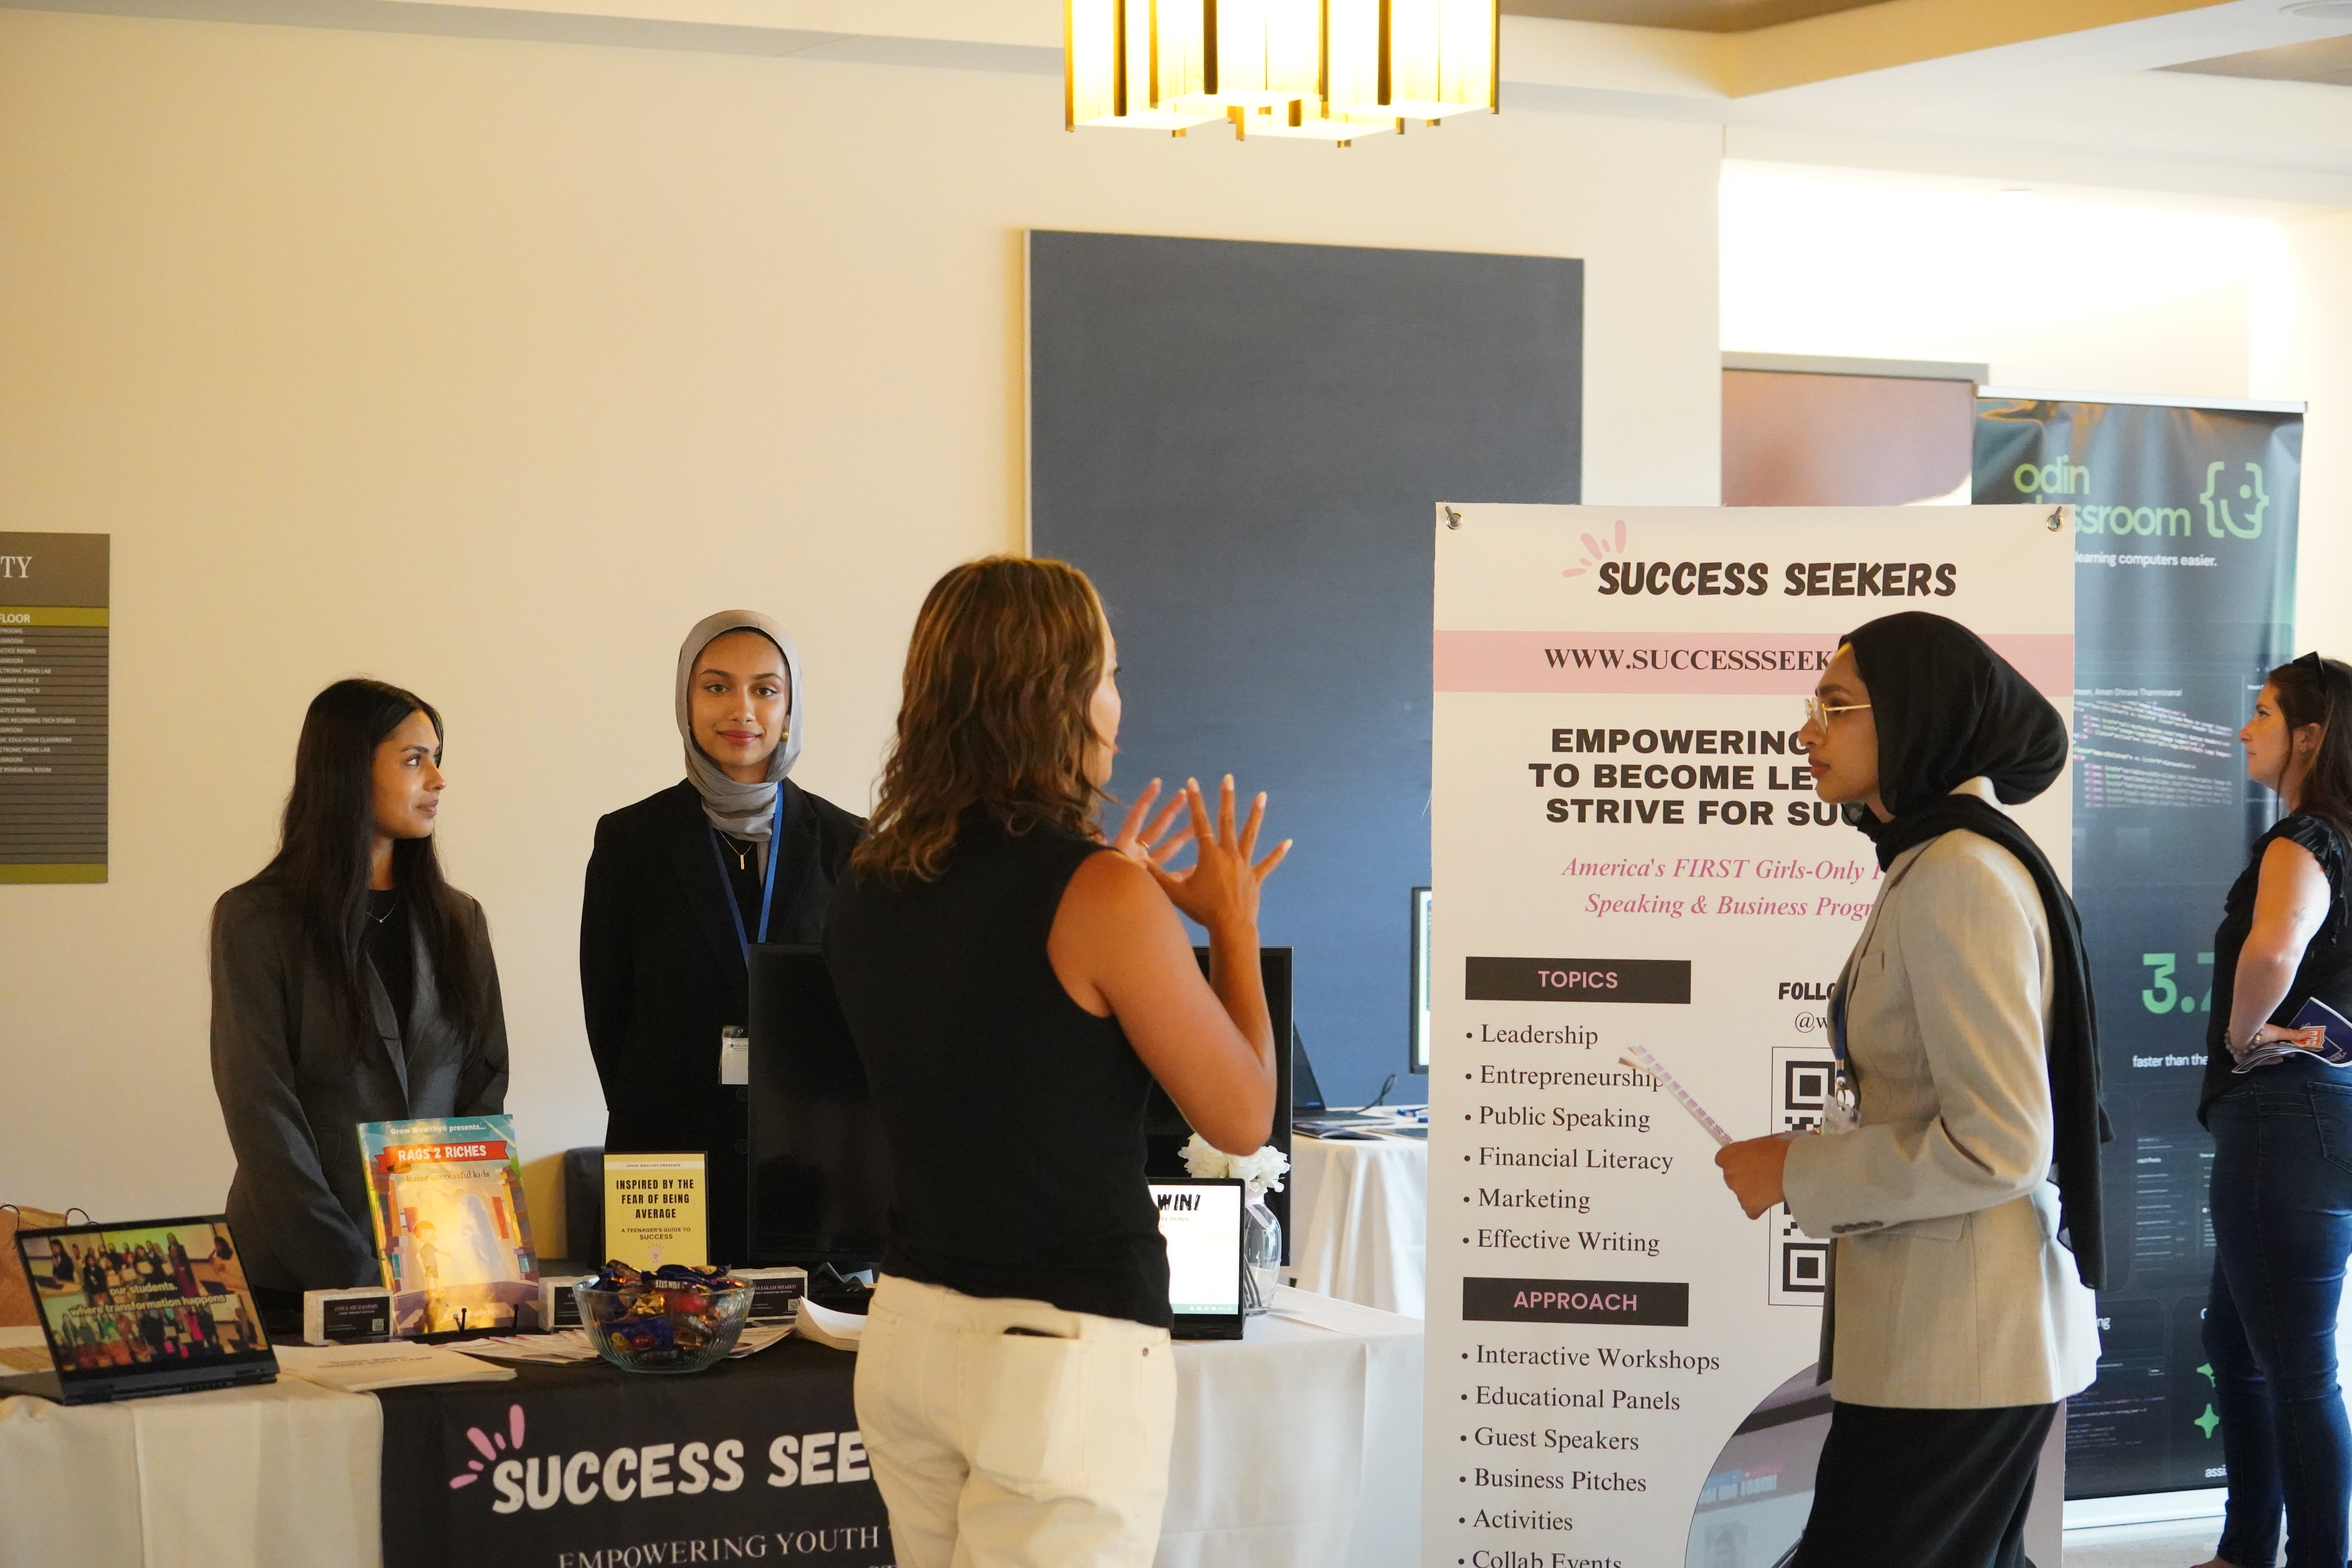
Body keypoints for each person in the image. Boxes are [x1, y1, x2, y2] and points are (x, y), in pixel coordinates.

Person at [825, 555, 1290, 1568]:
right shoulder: (1103, 898)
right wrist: (1233, 928)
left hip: (909, 1336)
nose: (1118, 705)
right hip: (1057, 1359)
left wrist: (1112, 879)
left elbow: (1004, 1039)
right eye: (1108, 674)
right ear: (1055, 698)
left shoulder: (870, 879)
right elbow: (1243, 1116)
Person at [1713, 612, 2105, 1568]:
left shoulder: (1958, 874)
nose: (1807, 729)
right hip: (1953, 1337)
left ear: (1920, 717)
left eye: (1837, 706)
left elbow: (2004, 1141)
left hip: (1961, 1344)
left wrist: (1799, 1170)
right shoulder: (1933, 860)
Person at [210, 678, 508, 1304]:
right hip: (291, 1276)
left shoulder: (461, 921)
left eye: (437, 757)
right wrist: (355, 1278)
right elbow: (263, 1116)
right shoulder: (257, 920)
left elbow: (483, 1091)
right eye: (413, 759)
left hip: (439, 1275)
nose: (438, 779)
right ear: (346, 770)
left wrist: (463, 1257)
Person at [581, 612, 863, 1262]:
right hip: (667, 1167)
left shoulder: (851, 846)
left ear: (790, 706)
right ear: (685, 699)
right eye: (716, 687)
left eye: (766, 689)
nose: (743, 710)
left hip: (807, 1171)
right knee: (661, 1347)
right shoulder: (630, 842)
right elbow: (610, 1015)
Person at [2196, 653, 2352, 1568]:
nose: (2245, 729)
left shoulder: (2305, 840)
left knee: (2296, 1368)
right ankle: (2247, 1547)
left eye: (2261, 712)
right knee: (2238, 1339)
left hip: (2285, 1122)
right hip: (2328, 1116)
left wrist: (2241, 1037)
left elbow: (2273, 948)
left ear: (2310, 734)